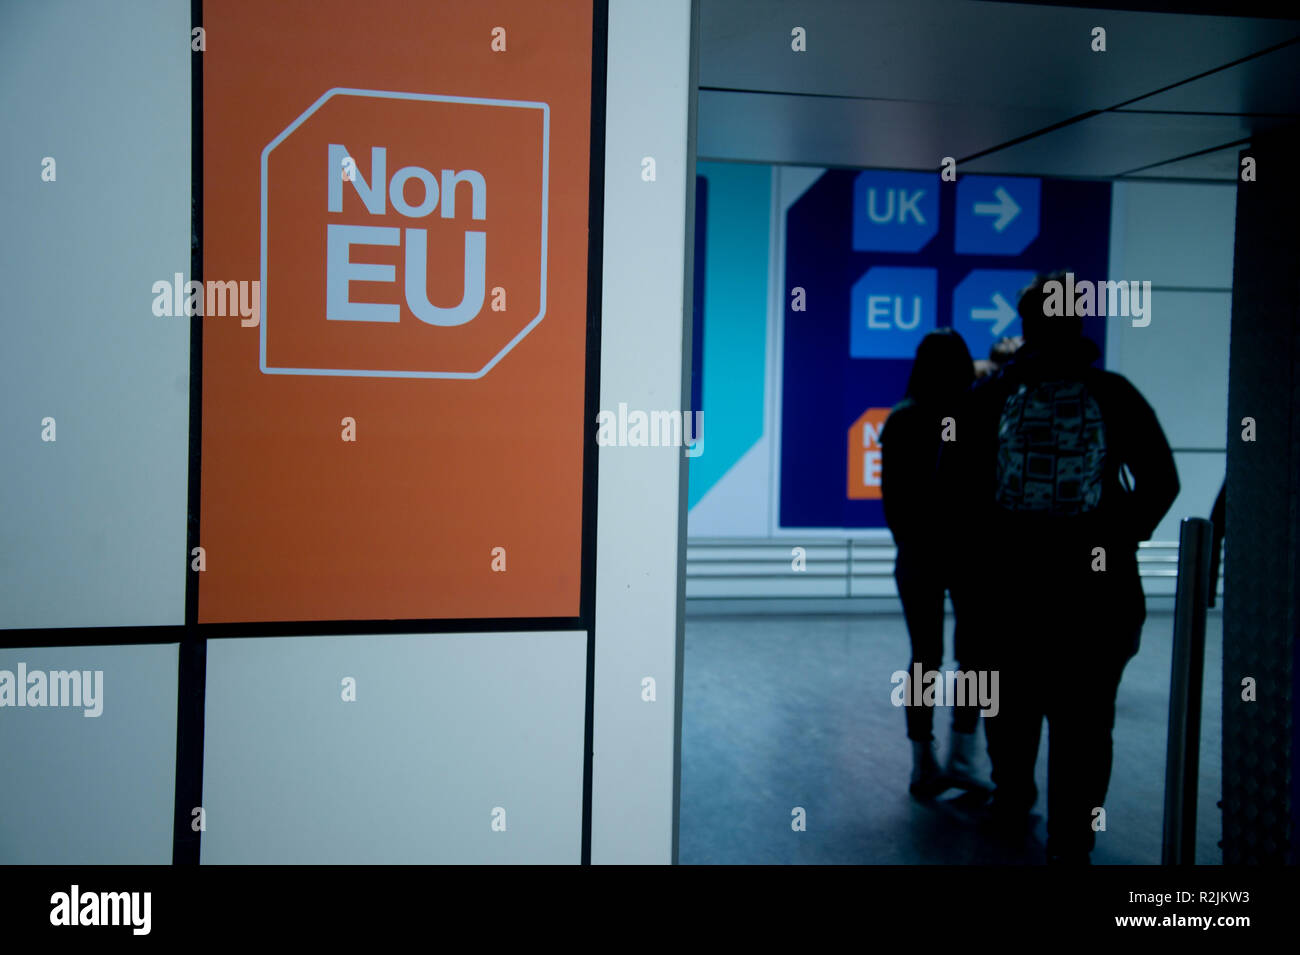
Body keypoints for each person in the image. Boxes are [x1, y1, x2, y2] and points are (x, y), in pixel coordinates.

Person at [942, 271, 1180, 862]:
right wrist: (1116, 535)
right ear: (1080, 322)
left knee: (1011, 709)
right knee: (1086, 723)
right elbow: (1163, 481)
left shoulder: (988, 396)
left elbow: (951, 490)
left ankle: (1014, 797)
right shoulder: (1116, 394)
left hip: (1008, 593)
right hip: (1097, 597)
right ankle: (1074, 836)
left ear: (1025, 326)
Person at [881, 329, 988, 798]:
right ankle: (962, 759)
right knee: (976, 659)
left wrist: (911, 542)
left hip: (920, 554)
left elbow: (893, 502)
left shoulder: (902, 418)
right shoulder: (976, 412)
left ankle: (922, 763)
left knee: (925, 657)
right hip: (971, 553)